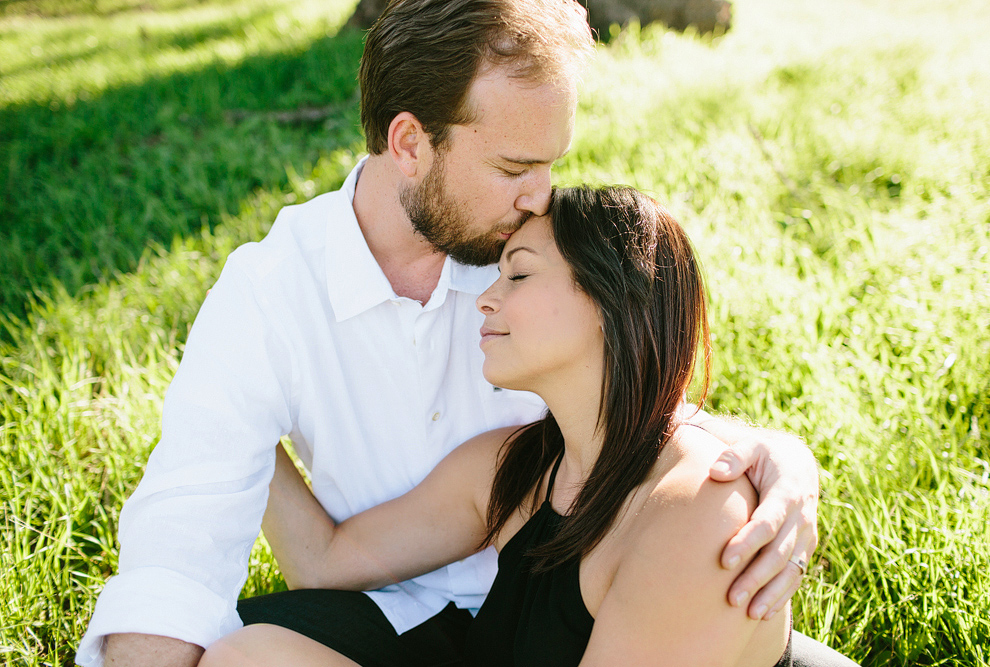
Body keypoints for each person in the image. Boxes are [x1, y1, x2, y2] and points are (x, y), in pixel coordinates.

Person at [77, 1, 826, 666]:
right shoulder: (270, 294)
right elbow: (178, 551)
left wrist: (777, 455)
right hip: (382, 603)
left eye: (550, 164)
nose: (541, 194)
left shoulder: (535, 250)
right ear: (409, 143)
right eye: (514, 166)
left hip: (572, 611)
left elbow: (629, 404)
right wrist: (226, 425)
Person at [199, 186, 859, 666]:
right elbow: (323, 562)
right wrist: (237, 407)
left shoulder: (699, 508)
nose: (486, 296)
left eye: (518, 273)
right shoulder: (518, 467)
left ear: (609, 299)